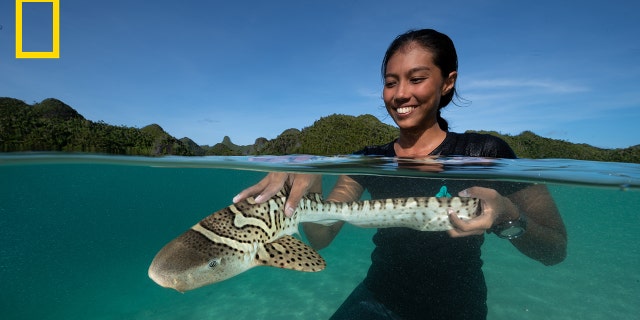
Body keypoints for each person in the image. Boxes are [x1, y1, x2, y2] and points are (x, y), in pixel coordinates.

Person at [233, 29, 567, 320]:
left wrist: (506, 215)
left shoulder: (487, 154)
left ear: (447, 82)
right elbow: (321, 237)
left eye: (417, 79)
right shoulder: (369, 160)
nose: (400, 94)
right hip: (377, 299)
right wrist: (310, 181)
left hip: (458, 310)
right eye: (390, 82)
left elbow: (555, 250)